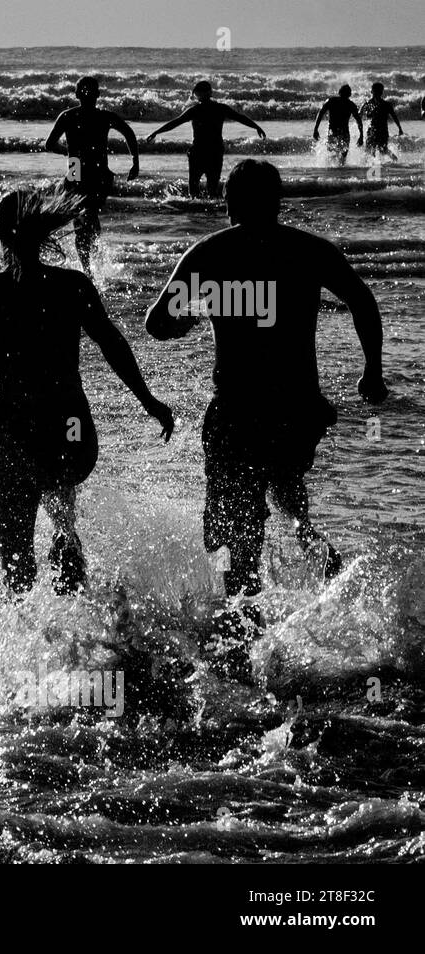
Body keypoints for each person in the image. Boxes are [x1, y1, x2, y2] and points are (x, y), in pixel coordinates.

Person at [145, 159, 387, 680]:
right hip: (298, 409)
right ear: (277, 201)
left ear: (229, 202)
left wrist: (188, 317)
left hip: (237, 410)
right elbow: (364, 302)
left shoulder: (211, 253)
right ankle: (330, 582)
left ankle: (245, 649)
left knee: (239, 532)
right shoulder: (309, 250)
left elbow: (156, 323)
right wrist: (373, 372)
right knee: (288, 502)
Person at [0, 187, 173, 597]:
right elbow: (113, 345)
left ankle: (40, 640)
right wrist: (149, 402)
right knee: (61, 511)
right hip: (70, 426)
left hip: (16, 431)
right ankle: (76, 590)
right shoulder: (72, 285)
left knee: (15, 560)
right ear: (41, 232)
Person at [44, 76, 140, 275]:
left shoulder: (68, 116)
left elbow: (49, 144)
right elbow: (129, 133)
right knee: (88, 215)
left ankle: (88, 267)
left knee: (82, 218)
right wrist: (135, 162)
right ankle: (92, 263)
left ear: (77, 94)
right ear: (98, 94)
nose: (87, 94)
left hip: (76, 166)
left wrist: (68, 152)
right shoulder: (105, 116)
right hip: (97, 170)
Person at [145, 81, 265, 198]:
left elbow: (175, 122)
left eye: (198, 93)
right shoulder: (220, 108)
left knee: (194, 189)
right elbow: (240, 118)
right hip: (215, 151)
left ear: (199, 94)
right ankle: (209, 215)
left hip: (199, 151)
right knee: (212, 189)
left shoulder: (195, 110)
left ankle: (197, 214)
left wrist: (156, 132)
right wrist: (256, 127)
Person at [312, 85, 363, 166]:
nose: (345, 95)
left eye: (346, 93)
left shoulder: (333, 101)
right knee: (338, 157)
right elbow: (359, 121)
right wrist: (361, 135)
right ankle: (337, 172)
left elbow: (320, 113)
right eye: (344, 93)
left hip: (337, 133)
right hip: (339, 133)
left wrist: (316, 129)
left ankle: (335, 173)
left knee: (335, 156)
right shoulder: (347, 104)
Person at [361, 82, 403, 160]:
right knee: (371, 150)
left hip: (381, 130)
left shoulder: (385, 104)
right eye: (376, 91)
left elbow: (394, 116)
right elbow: (360, 116)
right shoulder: (368, 104)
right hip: (373, 130)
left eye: (378, 91)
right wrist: (399, 128)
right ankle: (374, 164)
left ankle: (394, 160)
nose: (377, 93)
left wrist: (400, 128)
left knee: (381, 150)